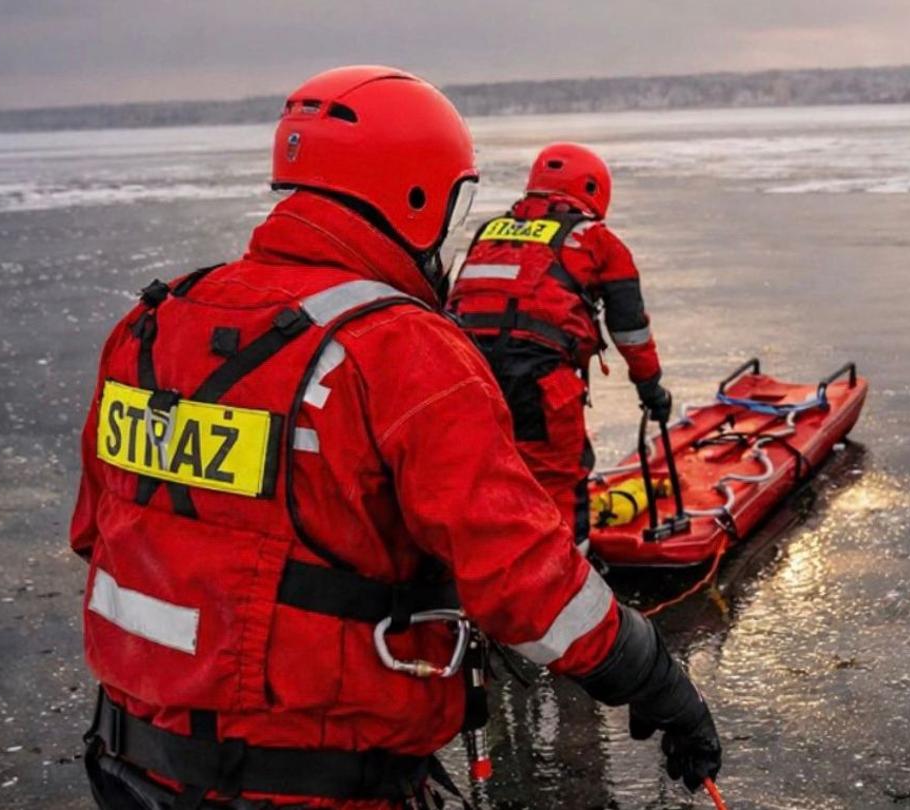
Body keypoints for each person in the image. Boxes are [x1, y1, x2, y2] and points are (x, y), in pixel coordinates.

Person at [68, 65, 720, 809]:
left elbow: (96, 535)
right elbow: (526, 581)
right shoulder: (401, 351)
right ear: (415, 197)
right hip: (311, 785)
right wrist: (656, 680)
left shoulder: (150, 326)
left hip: (131, 768)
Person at [445, 144, 669, 551]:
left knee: (483, 475)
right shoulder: (598, 241)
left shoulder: (489, 232)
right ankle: (570, 576)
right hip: (538, 377)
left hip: (464, 370)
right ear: (593, 190)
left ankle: (478, 569)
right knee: (557, 481)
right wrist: (652, 390)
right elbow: (630, 330)